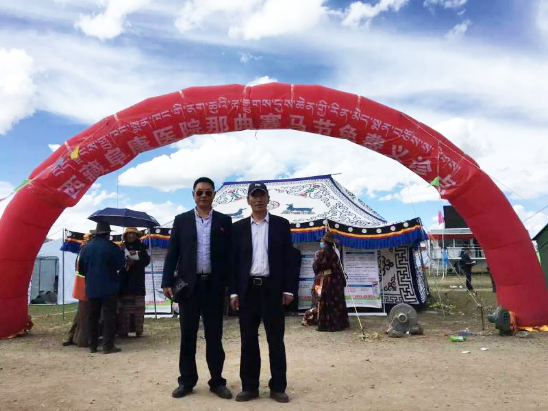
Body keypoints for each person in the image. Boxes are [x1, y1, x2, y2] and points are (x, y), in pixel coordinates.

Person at [162, 177, 233, 400]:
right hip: (188, 288)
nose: (204, 196)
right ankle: (186, 381)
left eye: (208, 192)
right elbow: (173, 252)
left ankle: (217, 381)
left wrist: (231, 285)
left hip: (213, 286)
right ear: (193, 195)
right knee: (188, 336)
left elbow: (229, 255)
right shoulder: (181, 220)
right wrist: (166, 281)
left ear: (214, 195)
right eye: (199, 192)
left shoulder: (224, 221)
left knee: (215, 336)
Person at [230, 182, 295, 403]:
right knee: (248, 341)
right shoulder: (238, 228)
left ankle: (278, 387)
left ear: (268, 199)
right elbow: (233, 263)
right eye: (254, 196)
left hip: (272, 290)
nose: (258, 199)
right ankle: (249, 387)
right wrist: (233, 293)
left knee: (275, 340)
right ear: (248, 200)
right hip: (247, 291)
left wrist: (288, 289)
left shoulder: (281, 225)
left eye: (262, 195)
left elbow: (289, 259)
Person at [79, 221, 125, 354]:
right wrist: (122, 251)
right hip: (109, 287)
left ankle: (92, 346)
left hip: (92, 287)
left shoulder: (86, 247)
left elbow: (81, 269)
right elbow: (120, 265)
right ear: (108, 234)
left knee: (92, 317)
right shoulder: (112, 247)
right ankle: (107, 346)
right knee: (109, 317)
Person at [311, 231, 350, 332]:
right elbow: (339, 267)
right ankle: (339, 324)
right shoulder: (335, 253)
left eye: (322, 241)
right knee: (336, 301)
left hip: (327, 279)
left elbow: (316, 267)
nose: (321, 242)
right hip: (336, 280)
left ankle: (327, 325)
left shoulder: (321, 253)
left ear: (325, 242)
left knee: (326, 300)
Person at [62, 231, 94, 347]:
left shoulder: (84, 249)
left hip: (83, 284)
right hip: (85, 284)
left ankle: (73, 337)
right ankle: (80, 339)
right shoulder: (86, 250)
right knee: (84, 313)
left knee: (82, 313)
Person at [117, 227, 151, 338]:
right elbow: (116, 262)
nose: (131, 235)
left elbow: (147, 261)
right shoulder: (121, 247)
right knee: (123, 309)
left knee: (138, 308)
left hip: (137, 281)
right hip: (124, 282)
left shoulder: (142, 247)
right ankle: (124, 330)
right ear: (125, 236)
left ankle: (138, 330)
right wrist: (121, 252)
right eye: (129, 234)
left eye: (133, 234)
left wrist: (136, 260)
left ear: (137, 235)